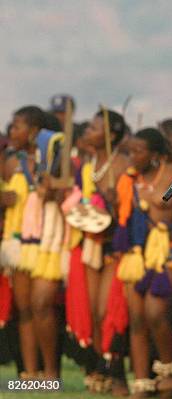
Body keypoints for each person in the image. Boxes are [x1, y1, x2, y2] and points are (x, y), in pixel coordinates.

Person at [116, 128, 172, 398]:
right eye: (130, 151)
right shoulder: (129, 180)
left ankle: (169, 372)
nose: (132, 157)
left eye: (138, 151)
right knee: (136, 319)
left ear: (155, 154)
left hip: (164, 257)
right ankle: (141, 382)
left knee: (156, 314)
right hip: (136, 255)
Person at [1, 105, 64, 379]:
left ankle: (51, 373)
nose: (11, 130)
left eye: (17, 126)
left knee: (42, 306)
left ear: (35, 131)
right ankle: (30, 373)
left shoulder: (51, 159)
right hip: (17, 242)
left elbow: (63, 193)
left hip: (46, 240)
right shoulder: (10, 161)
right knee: (25, 309)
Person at [74, 109, 131, 395]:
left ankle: (116, 371)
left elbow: (130, 210)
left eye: (94, 127)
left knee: (107, 310)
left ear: (111, 135)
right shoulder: (88, 162)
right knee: (93, 312)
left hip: (114, 247)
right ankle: (99, 369)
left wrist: (115, 202)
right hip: (91, 240)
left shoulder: (120, 163)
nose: (87, 131)